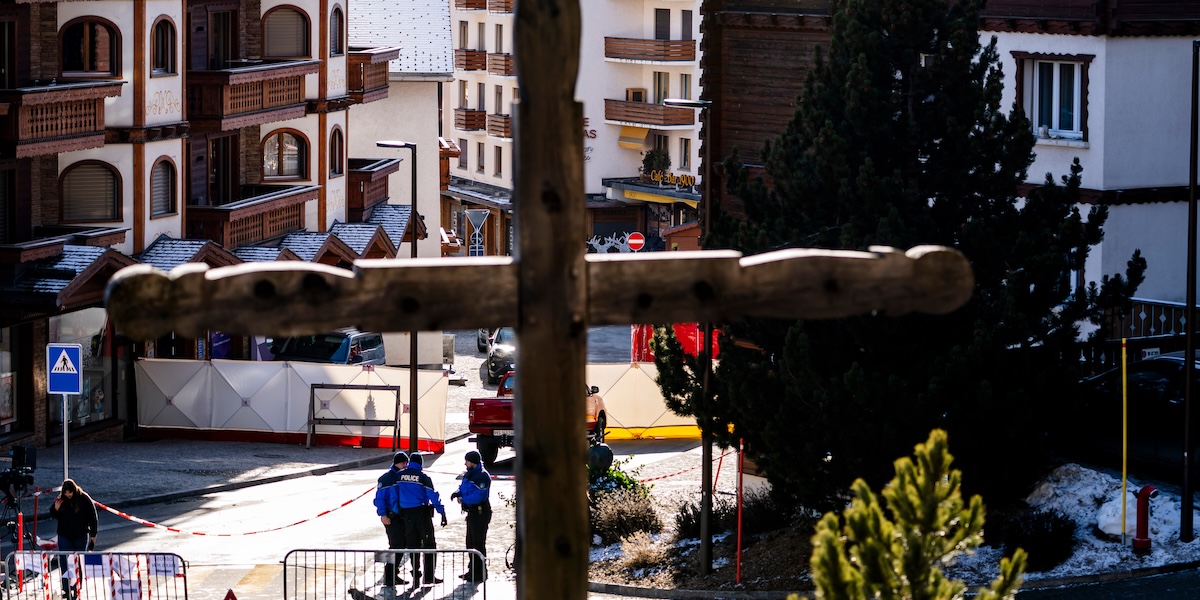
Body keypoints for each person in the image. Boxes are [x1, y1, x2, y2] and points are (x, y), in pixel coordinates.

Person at [395, 452, 447, 586]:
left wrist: (397, 511)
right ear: (421, 463)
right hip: (422, 514)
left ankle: (415, 572)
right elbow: (433, 496)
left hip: (406, 515)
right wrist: (441, 512)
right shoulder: (423, 477)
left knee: (413, 545)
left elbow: (394, 495)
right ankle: (429, 576)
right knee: (429, 545)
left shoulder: (399, 476)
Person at [49, 479, 97, 599]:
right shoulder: (61, 500)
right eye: (66, 493)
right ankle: (66, 588)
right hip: (65, 535)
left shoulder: (83, 498)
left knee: (77, 562)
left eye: (70, 493)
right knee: (65, 562)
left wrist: (93, 534)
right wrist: (56, 509)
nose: (68, 495)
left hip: (80, 535)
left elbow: (92, 516)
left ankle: (77, 587)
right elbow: (54, 515)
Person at [451, 450, 492, 582]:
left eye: (467, 461)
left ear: (473, 462)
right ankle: (472, 571)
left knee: (478, 544)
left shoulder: (482, 476)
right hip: (472, 513)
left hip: (480, 513)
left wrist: (463, 499)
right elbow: (463, 487)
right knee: (470, 543)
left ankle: (480, 573)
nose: (465, 463)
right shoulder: (469, 474)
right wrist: (457, 492)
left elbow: (478, 497)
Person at [372, 452, 410, 595]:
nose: (405, 466)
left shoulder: (404, 476)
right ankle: (389, 576)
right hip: (391, 517)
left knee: (401, 545)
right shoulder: (386, 479)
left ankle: (393, 574)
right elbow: (380, 499)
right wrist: (383, 514)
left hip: (401, 516)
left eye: (406, 463)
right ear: (396, 463)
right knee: (395, 545)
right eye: (402, 463)